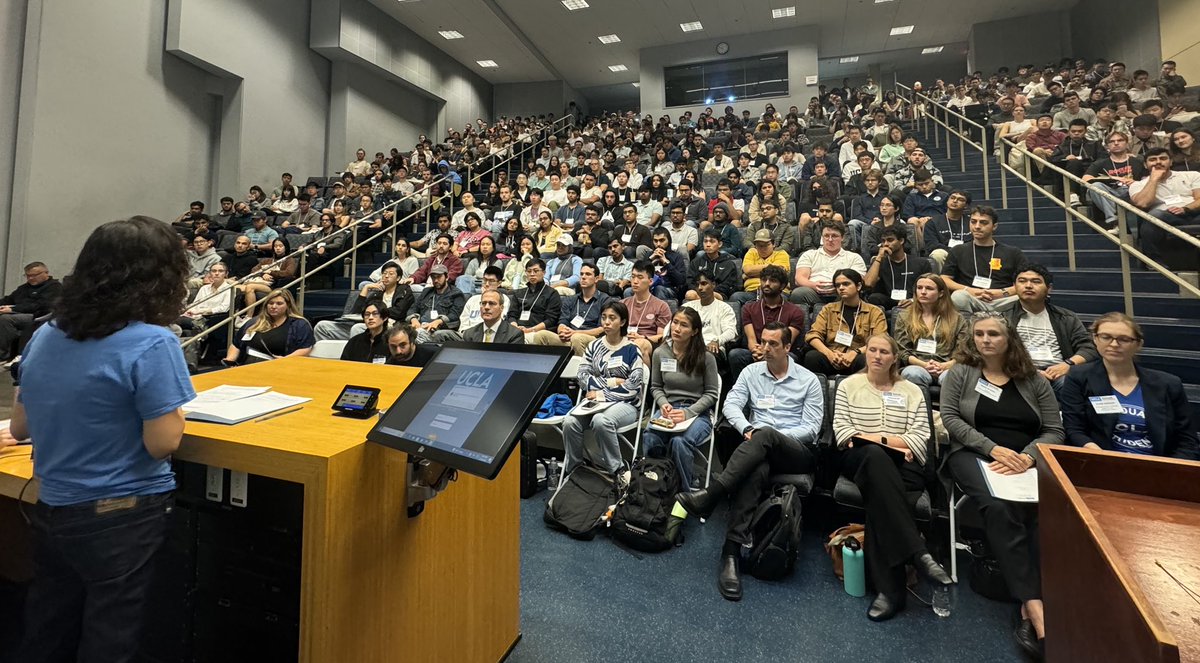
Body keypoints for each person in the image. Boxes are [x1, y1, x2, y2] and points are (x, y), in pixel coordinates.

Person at [12, 217, 195, 663]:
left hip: (52, 507)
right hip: (123, 513)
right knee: (112, 635)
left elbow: (21, 429)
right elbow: (163, 443)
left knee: (50, 625)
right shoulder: (153, 343)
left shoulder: (46, 334)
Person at [941, 313, 1064, 659]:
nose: (985, 340)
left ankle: (1040, 596)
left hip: (1024, 461)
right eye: (979, 334)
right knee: (997, 505)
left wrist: (1026, 457)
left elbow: (1054, 430)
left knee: (1044, 511)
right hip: (972, 453)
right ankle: (1034, 605)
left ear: (1009, 339)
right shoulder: (961, 373)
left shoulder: (1033, 380)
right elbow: (950, 419)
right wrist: (990, 448)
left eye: (993, 334)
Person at [676, 323, 823, 601]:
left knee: (766, 435)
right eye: (763, 342)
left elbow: (812, 428)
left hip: (797, 451)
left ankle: (712, 494)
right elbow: (731, 405)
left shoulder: (808, 380)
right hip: (758, 447)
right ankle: (730, 553)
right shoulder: (751, 372)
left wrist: (770, 436)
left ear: (788, 348)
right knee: (757, 469)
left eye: (773, 344)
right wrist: (747, 430)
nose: (764, 348)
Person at [832, 334, 950, 620]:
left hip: (905, 466)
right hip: (860, 459)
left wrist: (876, 437)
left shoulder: (912, 390)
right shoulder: (849, 385)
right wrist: (889, 442)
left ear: (894, 358)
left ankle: (891, 593)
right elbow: (844, 431)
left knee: (881, 495)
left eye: (884, 351)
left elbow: (921, 435)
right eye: (872, 350)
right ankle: (918, 554)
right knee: (875, 459)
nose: (877, 356)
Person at [1059, 312, 1200, 459]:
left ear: (1138, 344)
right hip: (1103, 464)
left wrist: (1168, 470)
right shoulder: (1079, 377)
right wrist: (1096, 453)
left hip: (1159, 467)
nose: (1114, 344)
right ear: (1095, 339)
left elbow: (1187, 439)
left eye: (1124, 339)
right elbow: (1074, 429)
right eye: (1106, 337)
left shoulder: (1168, 384)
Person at [561, 301, 645, 479]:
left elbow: (632, 386)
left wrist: (600, 393)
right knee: (569, 422)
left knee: (601, 421)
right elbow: (583, 378)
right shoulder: (594, 346)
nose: (606, 322)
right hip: (594, 403)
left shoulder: (632, 349)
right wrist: (614, 381)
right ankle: (575, 470)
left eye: (612, 318)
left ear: (622, 322)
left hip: (626, 404)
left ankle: (617, 471)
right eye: (604, 317)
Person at [642, 307, 720, 491]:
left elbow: (711, 394)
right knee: (650, 437)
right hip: (668, 409)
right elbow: (656, 386)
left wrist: (687, 413)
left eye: (683, 325)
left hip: (697, 412)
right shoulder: (660, 353)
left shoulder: (706, 357)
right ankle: (657, 485)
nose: (676, 328)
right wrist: (664, 404)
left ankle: (683, 494)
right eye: (675, 322)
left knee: (680, 441)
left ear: (694, 331)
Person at [1003, 264, 1097, 393]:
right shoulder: (1002, 317)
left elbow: (1089, 348)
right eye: (1022, 281)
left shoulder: (1066, 317)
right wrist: (1030, 371)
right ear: (1014, 286)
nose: (1028, 285)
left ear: (1049, 288)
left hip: (1058, 373)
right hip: (1019, 372)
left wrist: (1067, 365)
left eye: (1036, 281)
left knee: (1073, 386)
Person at [802, 269, 888, 376]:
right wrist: (829, 354)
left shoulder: (874, 312)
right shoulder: (828, 309)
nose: (841, 288)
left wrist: (855, 353)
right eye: (838, 285)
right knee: (812, 357)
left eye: (846, 284)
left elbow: (880, 341)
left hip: (857, 358)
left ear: (859, 286)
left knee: (866, 359)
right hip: (832, 357)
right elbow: (813, 335)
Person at [941, 206, 1027, 313]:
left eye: (983, 223)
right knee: (958, 296)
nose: (977, 226)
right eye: (973, 222)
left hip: (1003, 300)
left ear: (994, 226)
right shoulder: (957, 250)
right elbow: (945, 279)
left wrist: (1001, 293)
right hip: (972, 299)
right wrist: (969, 290)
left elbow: (1025, 281)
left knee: (1026, 297)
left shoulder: (1013, 252)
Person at [728, 265, 806, 379]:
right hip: (757, 351)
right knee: (736, 355)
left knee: (791, 357)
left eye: (773, 280)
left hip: (780, 352)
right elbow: (751, 339)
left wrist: (767, 352)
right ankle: (743, 391)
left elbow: (786, 341)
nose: (767, 283)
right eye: (764, 280)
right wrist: (756, 350)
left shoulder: (795, 311)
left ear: (783, 286)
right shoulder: (748, 308)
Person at [1128, 147, 1200, 265]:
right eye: (1152, 160)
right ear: (1145, 165)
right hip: (1164, 217)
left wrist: (1186, 208)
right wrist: (1154, 179)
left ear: (1171, 162)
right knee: (1153, 216)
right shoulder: (1137, 185)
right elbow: (1143, 203)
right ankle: (1154, 262)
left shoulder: (1192, 175)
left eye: (1163, 158)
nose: (1158, 162)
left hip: (1193, 212)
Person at [894, 274, 965, 387]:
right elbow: (902, 350)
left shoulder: (957, 318)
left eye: (929, 288)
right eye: (919, 288)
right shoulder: (905, 316)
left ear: (941, 293)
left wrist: (945, 365)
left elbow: (963, 351)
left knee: (951, 376)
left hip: (947, 366)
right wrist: (924, 365)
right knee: (912, 373)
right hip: (917, 365)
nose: (923, 292)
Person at [526, 263, 608, 354]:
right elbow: (562, 321)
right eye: (581, 274)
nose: (583, 277)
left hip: (592, 339)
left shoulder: (604, 300)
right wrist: (562, 331)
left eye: (588, 274)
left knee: (577, 338)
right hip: (570, 337)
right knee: (541, 335)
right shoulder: (571, 299)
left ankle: (580, 367)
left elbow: (601, 329)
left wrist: (575, 332)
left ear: (596, 279)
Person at [223, 289, 315, 364]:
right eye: (270, 303)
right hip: (247, 365)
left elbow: (305, 348)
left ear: (288, 305)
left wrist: (285, 360)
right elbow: (236, 344)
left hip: (281, 366)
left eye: (279, 303)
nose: (274, 306)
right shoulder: (254, 322)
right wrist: (229, 361)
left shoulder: (300, 324)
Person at [791, 220, 867, 306]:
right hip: (814, 293)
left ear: (842, 238)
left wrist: (838, 286)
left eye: (834, 236)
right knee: (798, 293)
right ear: (822, 238)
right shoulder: (809, 255)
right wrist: (813, 285)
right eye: (826, 236)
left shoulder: (854, 257)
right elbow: (799, 278)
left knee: (850, 293)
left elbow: (858, 280)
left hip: (840, 293)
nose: (830, 240)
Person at [0, 261, 63, 363]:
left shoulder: (54, 287)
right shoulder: (24, 288)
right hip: (20, 313)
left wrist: (13, 309)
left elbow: (41, 305)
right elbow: (9, 299)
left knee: (5, 319)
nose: (30, 278)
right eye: (28, 275)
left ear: (46, 273)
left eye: (34, 275)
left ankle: (3, 355)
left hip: (38, 316)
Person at [862, 226, 931, 309]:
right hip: (889, 301)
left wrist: (913, 300)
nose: (886, 244)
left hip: (914, 301)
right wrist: (879, 257)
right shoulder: (879, 262)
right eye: (883, 241)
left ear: (901, 241)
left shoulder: (921, 263)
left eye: (890, 240)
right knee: (874, 297)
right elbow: (867, 284)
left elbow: (931, 287)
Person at [622, 260, 673, 363]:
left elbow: (662, 337)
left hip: (648, 343)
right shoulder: (622, 304)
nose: (635, 281)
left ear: (650, 281)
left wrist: (643, 337)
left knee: (640, 344)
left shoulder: (661, 306)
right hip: (623, 340)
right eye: (633, 277)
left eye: (640, 277)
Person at [734, 228, 791, 304]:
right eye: (759, 245)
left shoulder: (781, 254)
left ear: (773, 244)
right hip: (752, 291)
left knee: (781, 298)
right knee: (736, 296)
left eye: (766, 245)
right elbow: (747, 270)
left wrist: (750, 275)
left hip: (777, 291)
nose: (763, 248)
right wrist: (772, 267)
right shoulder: (752, 252)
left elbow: (779, 271)